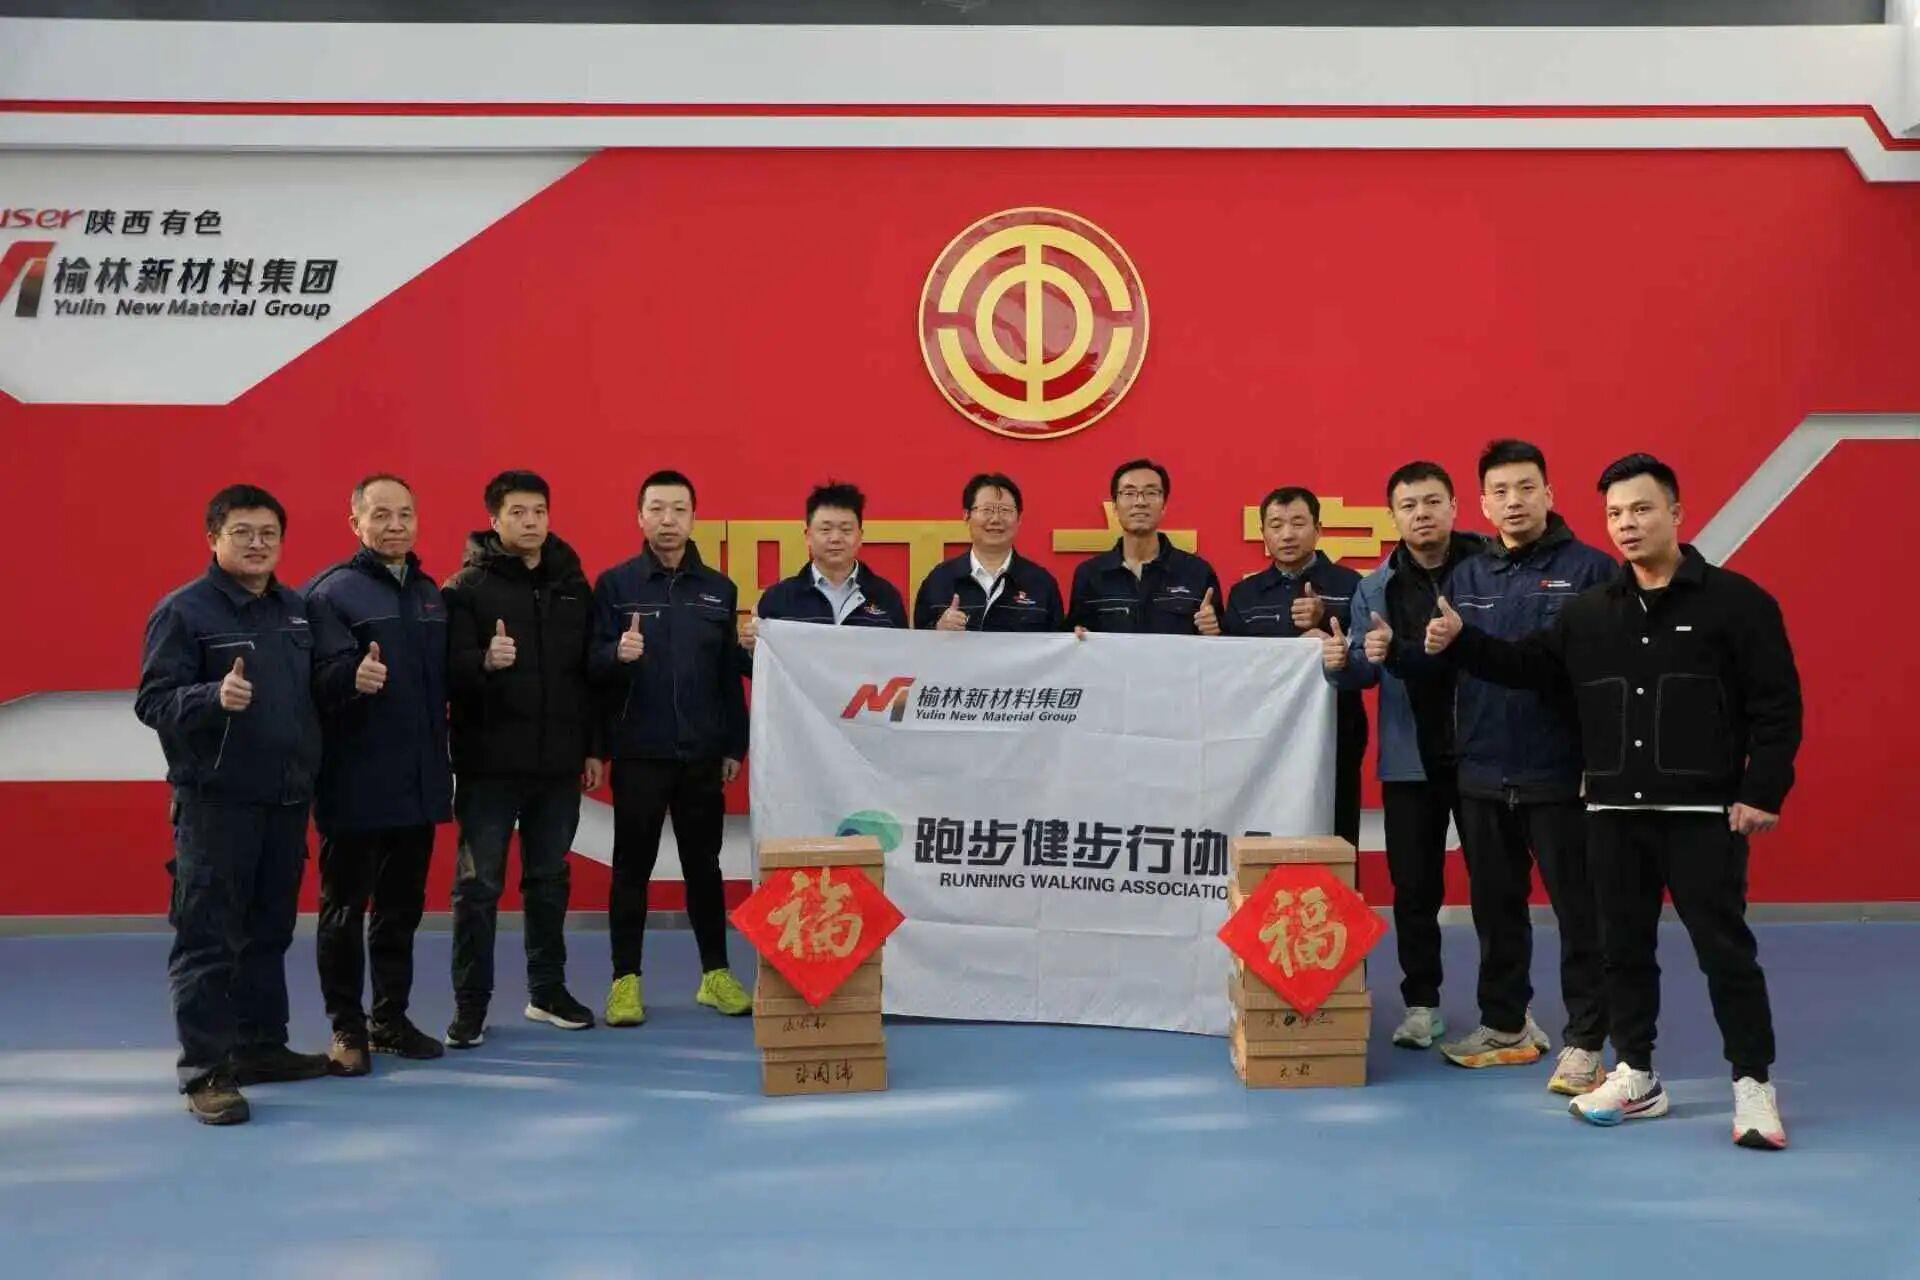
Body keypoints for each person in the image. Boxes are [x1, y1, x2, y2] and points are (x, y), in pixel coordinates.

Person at [1426, 452, 1799, 1149]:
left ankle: (1752, 1084)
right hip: (1612, 815)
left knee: (1725, 954)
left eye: (1642, 509)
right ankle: (1637, 1074)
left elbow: (1776, 706)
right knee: (1622, 952)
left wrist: (1761, 790)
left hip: (1701, 816)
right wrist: (1462, 641)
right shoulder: (1591, 612)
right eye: (1615, 514)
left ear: (1676, 513)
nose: (1627, 524)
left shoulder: (1738, 603)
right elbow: (1529, 666)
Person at [1419, 440, 1615, 1092]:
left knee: (1579, 914)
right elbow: (1449, 670)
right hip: (1482, 771)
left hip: (1560, 773)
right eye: (1500, 491)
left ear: (1549, 494)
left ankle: (1586, 1041)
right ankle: (1505, 1024)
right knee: (1495, 910)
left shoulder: (1591, 571)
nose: (1514, 501)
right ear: (1482, 504)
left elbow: (1589, 675)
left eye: (1526, 488)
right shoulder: (1466, 577)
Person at [135, 483, 328, 1124]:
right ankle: (206, 1072)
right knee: (209, 940)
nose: (257, 543)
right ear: (213, 537)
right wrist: (210, 696)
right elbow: (152, 701)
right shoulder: (184, 612)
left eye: (269, 533)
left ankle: (259, 1047)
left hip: (285, 801)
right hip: (216, 804)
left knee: (269, 932)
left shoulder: (295, 610)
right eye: (242, 532)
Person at [1318, 461, 1500, 1053]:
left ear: (1454, 507)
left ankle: (1506, 1009)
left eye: (1431, 502)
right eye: (1408, 505)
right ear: (1393, 516)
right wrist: (1341, 665)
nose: (1421, 514)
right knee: (1414, 889)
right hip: (1409, 760)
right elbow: (1360, 672)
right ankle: (1422, 1005)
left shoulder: (1490, 570)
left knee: (1495, 885)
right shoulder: (1374, 587)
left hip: (1485, 754)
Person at [442, 470, 602, 1047]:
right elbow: (446, 672)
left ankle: (547, 991)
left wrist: (592, 748)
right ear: (494, 519)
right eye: (517, 512)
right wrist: (484, 661)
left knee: (549, 880)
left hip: (557, 766)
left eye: (538, 511)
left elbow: (587, 676)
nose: (530, 522)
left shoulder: (573, 584)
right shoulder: (465, 588)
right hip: (488, 765)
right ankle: (471, 1005)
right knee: (478, 887)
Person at [590, 469, 752, 1026]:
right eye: (657, 509)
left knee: (703, 866)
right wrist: (615, 653)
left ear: (693, 517)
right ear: (640, 517)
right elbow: (588, 665)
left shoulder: (718, 589)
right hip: (639, 751)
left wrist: (734, 743)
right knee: (630, 869)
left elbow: (728, 676)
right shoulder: (615, 585)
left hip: (702, 754)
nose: (668, 520)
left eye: (678, 510)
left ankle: (715, 974)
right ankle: (624, 981)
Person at [304, 473, 453, 1076]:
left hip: (418, 783)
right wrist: (350, 677)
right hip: (354, 783)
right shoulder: (329, 594)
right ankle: (347, 1026)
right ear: (356, 523)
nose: (395, 525)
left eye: (405, 514)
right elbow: (312, 679)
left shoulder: (429, 592)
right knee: (343, 911)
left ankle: (390, 1019)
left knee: (401, 910)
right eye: (382, 514)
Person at [1222, 485, 1366, 847]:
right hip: (1264, 738)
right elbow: (1234, 672)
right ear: (1263, 533)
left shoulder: (1351, 585)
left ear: (1318, 529)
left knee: (1336, 835)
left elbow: (1367, 662)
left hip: (1335, 733)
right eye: (1276, 525)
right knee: (1266, 832)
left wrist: (1327, 619)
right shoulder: (1244, 594)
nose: (1287, 534)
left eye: (1298, 523)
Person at [742, 481, 907, 649]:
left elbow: (902, 656)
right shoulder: (778, 598)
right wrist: (752, 648)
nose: (835, 538)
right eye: (825, 530)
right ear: (808, 536)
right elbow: (759, 662)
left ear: (860, 537)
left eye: (846, 530)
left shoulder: (886, 597)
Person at [1066, 458, 1223, 635]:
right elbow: (1073, 638)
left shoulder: (1197, 573)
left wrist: (1214, 632)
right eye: (1129, 493)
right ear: (1114, 506)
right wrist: (1076, 636)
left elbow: (1224, 645)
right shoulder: (1090, 575)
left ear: (1164, 505)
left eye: (1151, 493)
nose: (1140, 502)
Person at [912, 472, 1064, 632]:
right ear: (966, 515)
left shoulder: (1041, 583)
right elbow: (918, 641)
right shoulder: (940, 580)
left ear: (1019, 518)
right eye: (987, 510)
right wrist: (937, 629)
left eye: (1005, 510)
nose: (996, 519)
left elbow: (1059, 642)